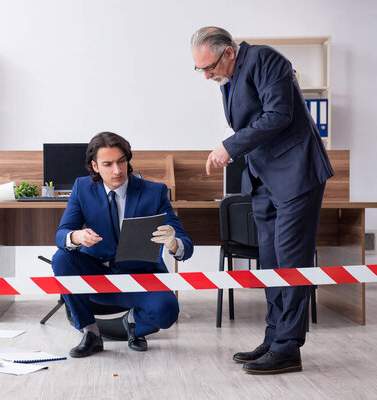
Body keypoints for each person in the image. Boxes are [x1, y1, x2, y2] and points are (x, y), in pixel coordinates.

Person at [191, 27, 334, 374]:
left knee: (292, 263)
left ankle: (288, 348)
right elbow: (250, 122)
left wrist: (230, 147)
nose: (207, 75)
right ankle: (273, 339)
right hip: (264, 180)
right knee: (270, 262)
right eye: (200, 70)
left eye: (209, 67)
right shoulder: (228, 79)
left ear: (227, 52)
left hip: (296, 175)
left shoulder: (264, 59)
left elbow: (279, 114)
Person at [51, 131, 194, 358]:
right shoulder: (82, 188)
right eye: (108, 164)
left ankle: (133, 323)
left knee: (167, 311)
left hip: (139, 278)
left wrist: (174, 243)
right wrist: (76, 237)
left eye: (121, 162)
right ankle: (90, 333)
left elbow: (187, 244)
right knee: (61, 258)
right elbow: (62, 234)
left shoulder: (154, 192)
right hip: (97, 275)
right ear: (95, 167)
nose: (117, 171)